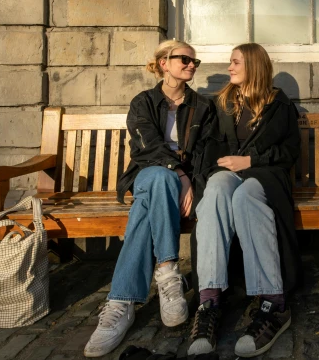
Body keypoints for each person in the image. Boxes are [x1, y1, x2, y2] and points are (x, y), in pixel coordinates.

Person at [84, 40, 220, 358]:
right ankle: (168, 269)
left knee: (145, 208)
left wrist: (192, 184)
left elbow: (206, 153)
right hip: (147, 174)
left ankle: (121, 303)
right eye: (184, 59)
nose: (191, 64)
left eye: (194, 61)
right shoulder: (143, 102)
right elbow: (147, 148)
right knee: (160, 177)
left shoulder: (203, 107)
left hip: (175, 188)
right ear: (163, 63)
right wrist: (180, 176)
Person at [187, 43, 301, 359]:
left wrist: (250, 161)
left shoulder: (279, 105)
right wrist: (217, 170)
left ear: (254, 65)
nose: (230, 67)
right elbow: (209, 149)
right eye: (231, 62)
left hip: (265, 176)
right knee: (215, 191)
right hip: (229, 173)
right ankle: (209, 300)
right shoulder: (222, 104)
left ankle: (273, 304)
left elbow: (288, 152)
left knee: (246, 195)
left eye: (236, 62)